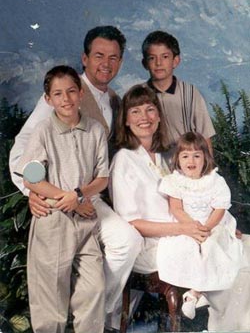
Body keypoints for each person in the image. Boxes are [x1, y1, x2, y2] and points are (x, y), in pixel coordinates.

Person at [9, 26, 143, 330]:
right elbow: (22, 154)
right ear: (84, 58)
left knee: (126, 242)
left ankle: (95, 315)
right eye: (98, 56)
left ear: (121, 62)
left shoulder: (114, 101)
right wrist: (36, 192)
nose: (105, 64)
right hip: (58, 200)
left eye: (113, 57)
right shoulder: (63, 92)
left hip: (89, 197)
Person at [15, 65, 108, 332]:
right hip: (53, 220)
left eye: (70, 92)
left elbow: (102, 178)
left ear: (80, 93)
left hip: (85, 221)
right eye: (57, 94)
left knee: (94, 290)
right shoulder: (43, 132)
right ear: (48, 100)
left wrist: (79, 196)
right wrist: (68, 198)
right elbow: (32, 178)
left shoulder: (95, 131)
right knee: (51, 304)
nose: (65, 99)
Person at [109, 84, 210, 328]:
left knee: (242, 246)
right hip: (150, 248)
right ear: (125, 120)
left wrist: (217, 226)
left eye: (150, 109)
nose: (144, 118)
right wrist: (185, 230)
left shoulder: (165, 156)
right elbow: (132, 225)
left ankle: (228, 324)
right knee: (228, 255)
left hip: (181, 235)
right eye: (135, 112)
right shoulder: (124, 160)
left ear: (159, 116)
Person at [157, 131, 244, 320]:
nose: (192, 161)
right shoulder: (175, 181)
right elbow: (176, 209)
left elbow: (219, 209)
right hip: (186, 224)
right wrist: (193, 228)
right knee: (187, 247)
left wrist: (207, 229)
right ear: (177, 159)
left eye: (197, 156)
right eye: (185, 156)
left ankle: (194, 294)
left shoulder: (215, 181)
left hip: (213, 223)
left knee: (213, 246)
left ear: (205, 159)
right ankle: (204, 293)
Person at [141, 30, 215, 154]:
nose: (158, 63)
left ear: (175, 61)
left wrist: (208, 171)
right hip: (152, 164)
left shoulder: (191, 93)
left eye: (165, 57)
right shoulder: (139, 95)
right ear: (145, 63)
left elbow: (205, 137)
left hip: (187, 164)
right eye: (152, 58)